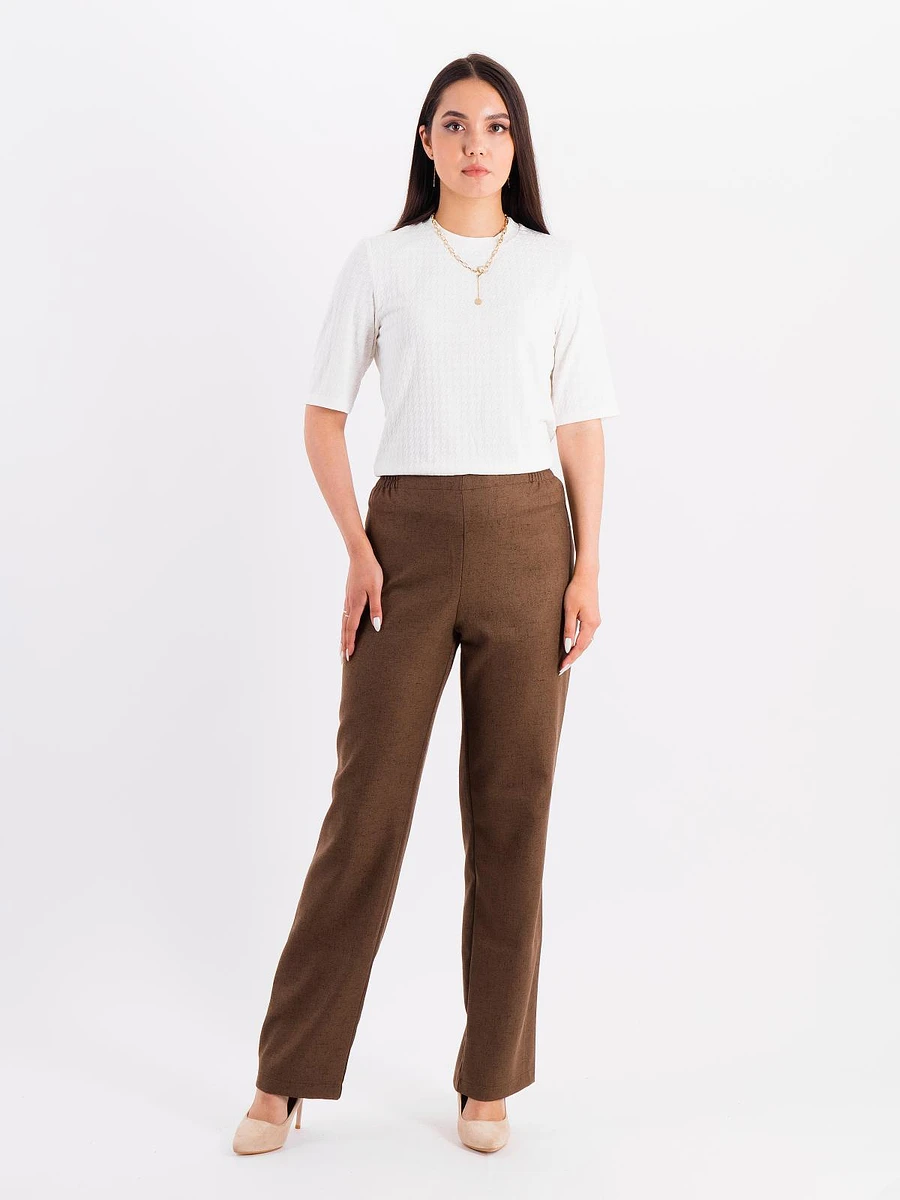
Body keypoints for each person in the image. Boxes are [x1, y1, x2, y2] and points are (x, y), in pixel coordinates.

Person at [232, 51, 619, 1156]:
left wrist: (589, 566)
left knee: (512, 809)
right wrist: (358, 549)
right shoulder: (381, 263)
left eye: (494, 126)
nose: (475, 143)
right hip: (401, 544)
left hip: (529, 540)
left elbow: (581, 425)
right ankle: (285, 1075)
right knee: (366, 807)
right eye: (455, 124)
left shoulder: (556, 268)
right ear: (426, 141)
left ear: (515, 144)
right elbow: (323, 416)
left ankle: (489, 1079)